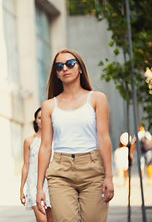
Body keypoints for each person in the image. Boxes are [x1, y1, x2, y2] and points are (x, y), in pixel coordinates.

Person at [36, 49, 114, 222]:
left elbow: (103, 138)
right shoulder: (49, 105)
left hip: (93, 170)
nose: (65, 68)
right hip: (60, 172)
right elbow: (46, 147)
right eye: (59, 66)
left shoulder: (97, 98)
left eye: (70, 63)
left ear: (80, 68)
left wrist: (109, 176)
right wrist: (39, 187)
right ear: (56, 74)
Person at [20, 107, 53, 222]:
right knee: (42, 220)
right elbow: (25, 165)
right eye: (40, 117)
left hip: (52, 184)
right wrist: (21, 188)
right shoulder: (29, 141)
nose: (42, 120)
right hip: (33, 184)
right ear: (35, 121)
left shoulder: (55, 140)